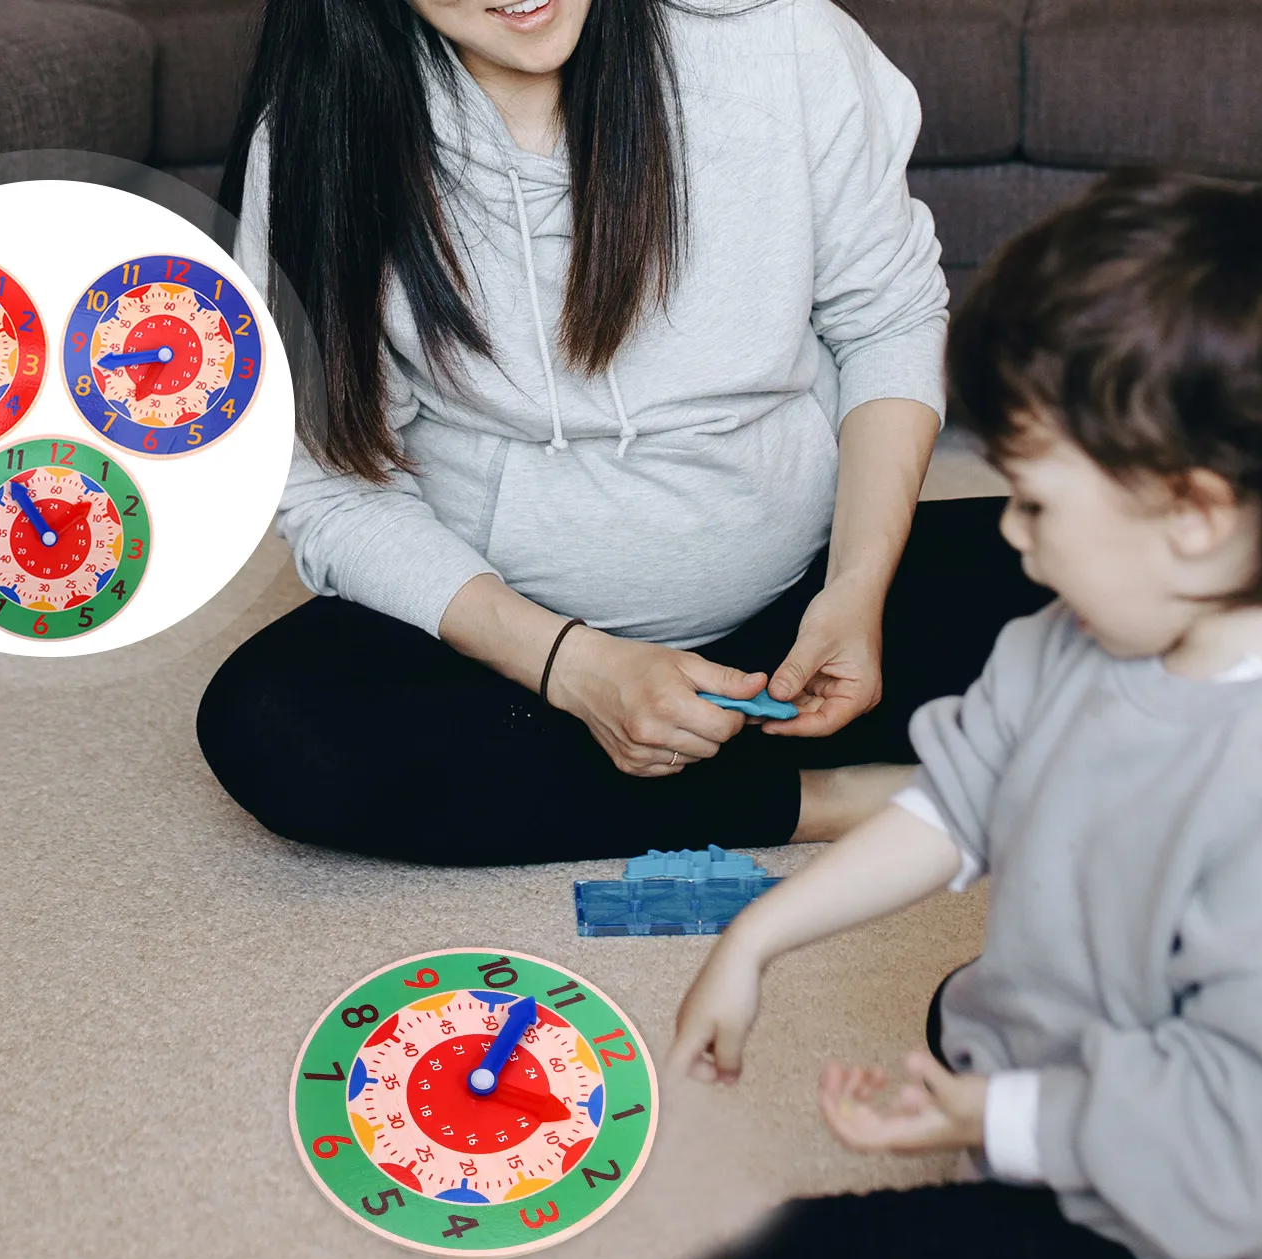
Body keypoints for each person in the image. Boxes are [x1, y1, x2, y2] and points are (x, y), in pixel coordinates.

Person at [148, 170, 1262, 1259]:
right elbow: (962, 801)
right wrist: (760, 935)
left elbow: (1244, 1139)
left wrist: (1006, 1116)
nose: (1015, 539)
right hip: (1102, 1064)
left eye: (1036, 503)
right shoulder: (1074, 638)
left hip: (1210, 1232)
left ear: (1198, 517)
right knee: (959, 1010)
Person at [195, 0, 1053, 866]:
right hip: (515, 659)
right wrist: (574, 669)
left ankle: (635, 777)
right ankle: (820, 797)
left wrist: (857, 590)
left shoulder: (784, 36)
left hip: (806, 610)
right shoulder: (320, 127)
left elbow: (888, 320)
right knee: (276, 725)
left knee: (1133, 585)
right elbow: (333, 482)